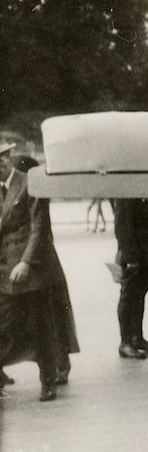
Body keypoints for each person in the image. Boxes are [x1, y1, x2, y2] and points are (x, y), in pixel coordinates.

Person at [0, 141, 66, 401]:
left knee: (41, 327)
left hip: (32, 273)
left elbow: (40, 228)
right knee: (5, 325)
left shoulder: (30, 183)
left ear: (9, 158)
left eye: (2, 159)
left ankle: (48, 381)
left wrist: (26, 262)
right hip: (5, 272)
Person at [113, 198, 148, 358]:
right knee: (128, 296)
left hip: (145, 251)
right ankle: (126, 342)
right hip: (133, 252)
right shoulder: (125, 191)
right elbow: (122, 226)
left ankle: (137, 337)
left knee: (140, 294)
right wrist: (130, 257)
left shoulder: (141, 188)